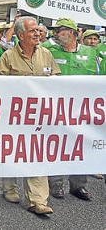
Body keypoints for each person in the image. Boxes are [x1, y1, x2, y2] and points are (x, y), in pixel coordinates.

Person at [0, 16, 60, 215]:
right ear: (21, 35)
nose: (38, 34)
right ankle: (10, 188)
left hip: (39, 116)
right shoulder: (7, 56)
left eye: (38, 31)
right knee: (12, 152)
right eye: (33, 31)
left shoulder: (47, 54)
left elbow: (57, 80)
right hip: (14, 116)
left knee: (36, 154)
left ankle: (37, 200)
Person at [43, 18, 97, 201]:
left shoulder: (91, 53)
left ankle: (78, 185)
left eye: (60, 30)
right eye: (55, 30)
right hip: (57, 109)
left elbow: (98, 79)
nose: (56, 33)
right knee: (56, 145)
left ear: (72, 32)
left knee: (79, 145)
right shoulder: (48, 51)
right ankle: (56, 183)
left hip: (82, 109)